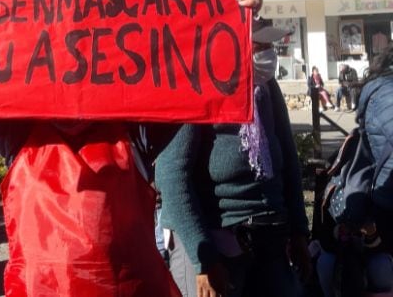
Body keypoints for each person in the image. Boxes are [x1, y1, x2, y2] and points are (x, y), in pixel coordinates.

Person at [0, 0, 265, 296]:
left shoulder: (135, 133)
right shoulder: (19, 136)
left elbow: (194, 79)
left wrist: (233, 9)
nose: (73, 73)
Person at [155, 18, 311, 297]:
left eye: (269, 46)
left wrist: (299, 231)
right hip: (214, 242)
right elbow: (171, 176)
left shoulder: (266, 87)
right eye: (259, 45)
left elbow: (288, 160)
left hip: (269, 239)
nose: (268, 54)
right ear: (230, 43)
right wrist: (203, 259)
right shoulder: (196, 86)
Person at [316, 44, 393, 297]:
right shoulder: (387, 94)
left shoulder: (379, 90)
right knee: (380, 268)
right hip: (383, 202)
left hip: (372, 201)